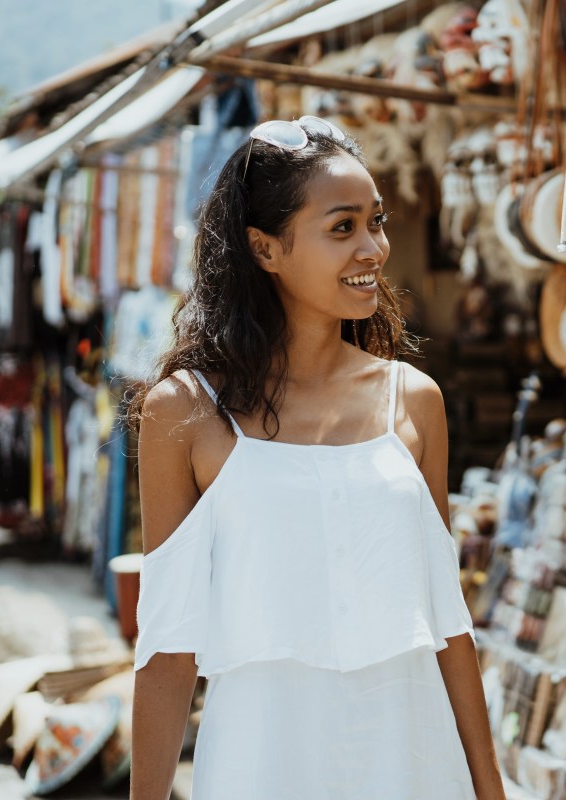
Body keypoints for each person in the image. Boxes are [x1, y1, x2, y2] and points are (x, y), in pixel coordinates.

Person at [128, 116, 504, 799]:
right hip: (261, 765)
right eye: (343, 227)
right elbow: (166, 651)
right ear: (265, 248)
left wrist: (491, 791)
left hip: (413, 761)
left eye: (377, 222)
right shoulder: (185, 411)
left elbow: (449, 624)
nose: (373, 248)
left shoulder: (413, 401)